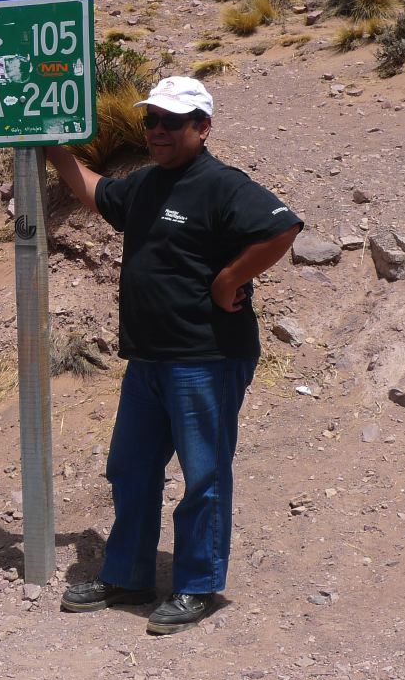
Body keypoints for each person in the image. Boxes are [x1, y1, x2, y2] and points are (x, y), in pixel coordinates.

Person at [47, 75, 302, 635]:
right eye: (151, 120)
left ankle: (197, 585)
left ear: (202, 127)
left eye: (171, 121)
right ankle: (128, 576)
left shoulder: (220, 185)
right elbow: (95, 192)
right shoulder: (145, 185)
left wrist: (230, 277)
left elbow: (282, 228)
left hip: (206, 357)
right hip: (148, 361)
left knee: (203, 475)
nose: (157, 131)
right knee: (131, 470)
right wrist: (53, 149)